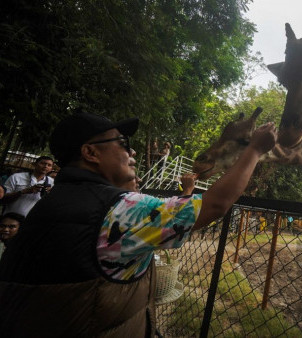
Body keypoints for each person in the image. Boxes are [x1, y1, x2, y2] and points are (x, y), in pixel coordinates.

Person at [0, 111, 277, 337]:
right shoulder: (117, 209)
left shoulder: (57, 198)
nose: (131, 151)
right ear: (90, 153)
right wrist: (253, 150)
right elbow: (215, 204)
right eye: (122, 143)